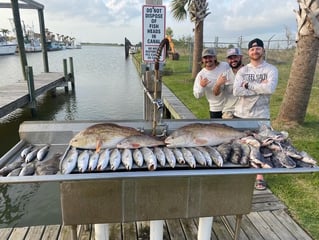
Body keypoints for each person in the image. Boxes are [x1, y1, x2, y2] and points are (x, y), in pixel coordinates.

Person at [233, 38, 278, 191]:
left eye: (258, 48)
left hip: (261, 114)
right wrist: (259, 88)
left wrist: (248, 85)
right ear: (248, 52)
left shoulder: (271, 69)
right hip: (241, 113)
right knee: (240, 144)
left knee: (261, 146)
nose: (255, 51)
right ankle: (240, 174)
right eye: (252, 49)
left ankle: (259, 176)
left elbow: (270, 89)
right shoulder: (243, 71)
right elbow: (236, 91)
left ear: (263, 50)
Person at [193, 48, 230, 118]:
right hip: (215, 109)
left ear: (215, 57)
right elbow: (197, 95)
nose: (208, 60)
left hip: (229, 106)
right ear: (202, 60)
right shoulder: (201, 75)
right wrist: (201, 86)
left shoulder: (224, 66)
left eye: (210, 57)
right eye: (205, 58)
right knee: (217, 128)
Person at [213, 47, 243, 119]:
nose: (233, 60)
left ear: (241, 57)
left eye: (235, 57)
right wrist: (218, 84)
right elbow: (216, 93)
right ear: (227, 60)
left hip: (245, 111)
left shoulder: (249, 72)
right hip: (229, 111)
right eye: (230, 58)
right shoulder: (225, 75)